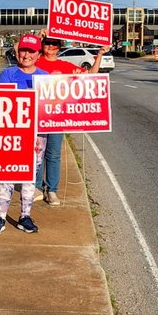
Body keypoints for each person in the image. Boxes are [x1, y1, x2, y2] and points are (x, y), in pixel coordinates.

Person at [32, 36, 104, 206]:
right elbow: (21, 50)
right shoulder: (35, 62)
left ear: (59, 47)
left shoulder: (65, 66)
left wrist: (99, 54)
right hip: (38, 115)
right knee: (37, 154)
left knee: (54, 153)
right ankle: (35, 187)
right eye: (47, 42)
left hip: (58, 116)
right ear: (42, 45)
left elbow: (91, 76)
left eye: (54, 43)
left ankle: (51, 190)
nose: (50, 46)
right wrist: (39, 36)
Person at [0, 33, 47, 234]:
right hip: (11, 134)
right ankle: (0, 217)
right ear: (17, 51)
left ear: (38, 54)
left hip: (37, 135)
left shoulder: (45, 78)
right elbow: (0, 103)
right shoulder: (8, 74)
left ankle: (25, 216)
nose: (26, 55)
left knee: (29, 177)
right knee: (7, 175)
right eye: (23, 50)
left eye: (31, 51)